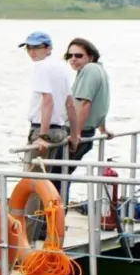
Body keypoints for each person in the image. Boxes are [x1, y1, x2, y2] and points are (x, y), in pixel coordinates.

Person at [61, 37, 112, 207]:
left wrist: (75, 135)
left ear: (91, 56)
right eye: (70, 56)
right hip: (86, 131)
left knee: (57, 177)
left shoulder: (89, 70)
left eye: (78, 55)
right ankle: (55, 218)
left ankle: (52, 220)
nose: (73, 59)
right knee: (63, 175)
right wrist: (103, 129)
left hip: (77, 132)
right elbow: (100, 102)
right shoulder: (99, 70)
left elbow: (85, 103)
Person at [21, 31, 73, 181]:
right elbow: (70, 103)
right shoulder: (62, 67)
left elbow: (48, 101)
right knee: (46, 179)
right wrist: (75, 135)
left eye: (36, 47)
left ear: (49, 48)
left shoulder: (41, 67)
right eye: (29, 48)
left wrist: (42, 136)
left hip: (42, 129)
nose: (32, 52)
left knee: (32, 182)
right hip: (59, 131)